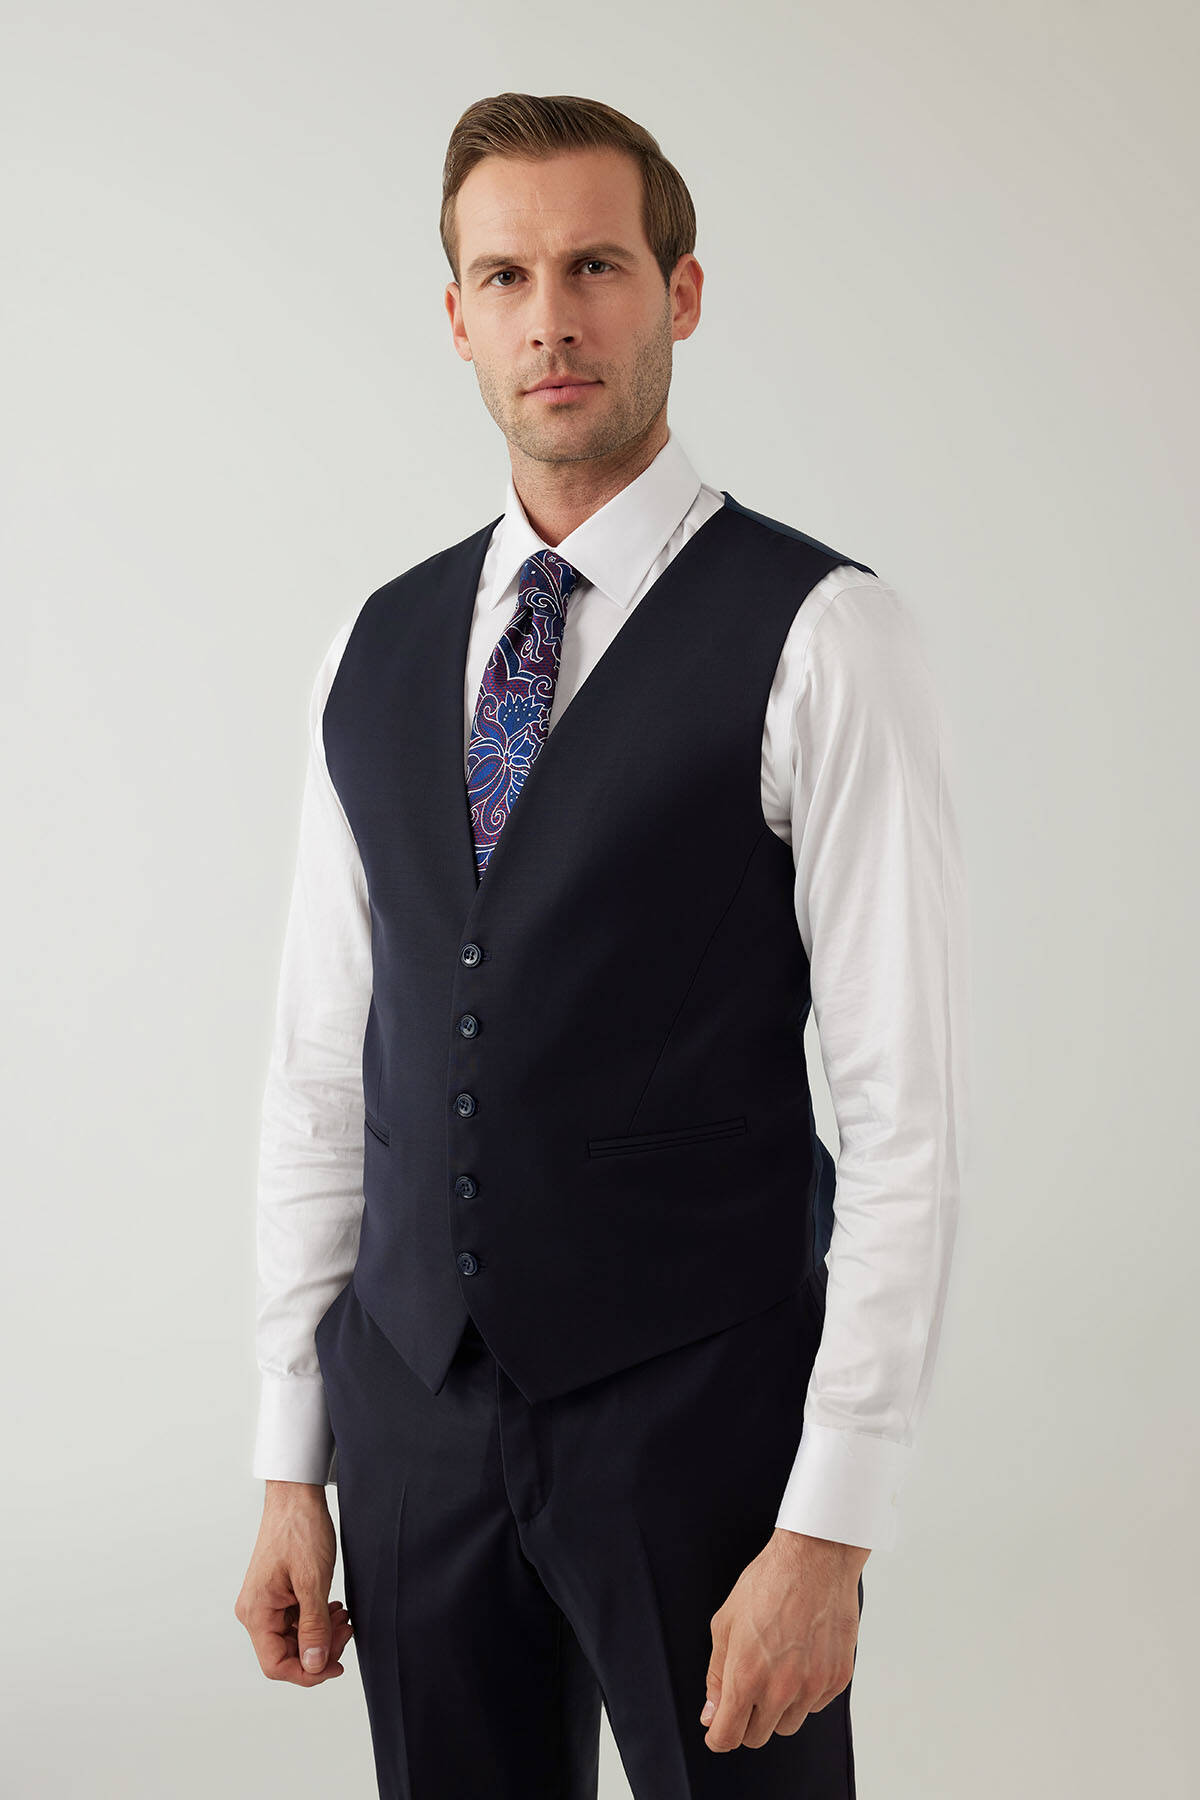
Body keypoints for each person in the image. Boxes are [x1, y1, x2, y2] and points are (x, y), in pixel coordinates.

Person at [234, 91, 970, 1800]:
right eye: (505, 277)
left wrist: (833, 1524)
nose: (550, 318)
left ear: (680, 293)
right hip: (411, 1420)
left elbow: (906, 1122)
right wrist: (292, 1458)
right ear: (457, 318)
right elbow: (326, 1073)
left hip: (702, 1425)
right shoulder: (375, 644)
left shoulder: (824, 635)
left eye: (596, 267)